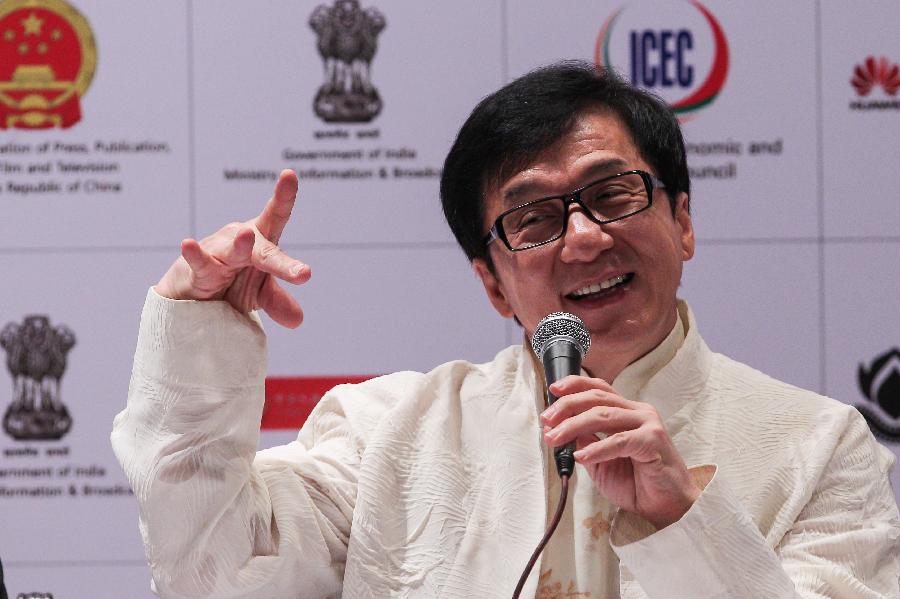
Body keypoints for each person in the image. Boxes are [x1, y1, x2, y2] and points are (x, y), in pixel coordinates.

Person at [111, 62, 899, 598]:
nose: (584, 237)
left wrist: (683, 521)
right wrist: (198, 327)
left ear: (682, 220)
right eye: (533, 218)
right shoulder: (390, 431)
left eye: (613, 192)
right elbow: (211, 569)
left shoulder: (820, 445)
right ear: (491, 282)